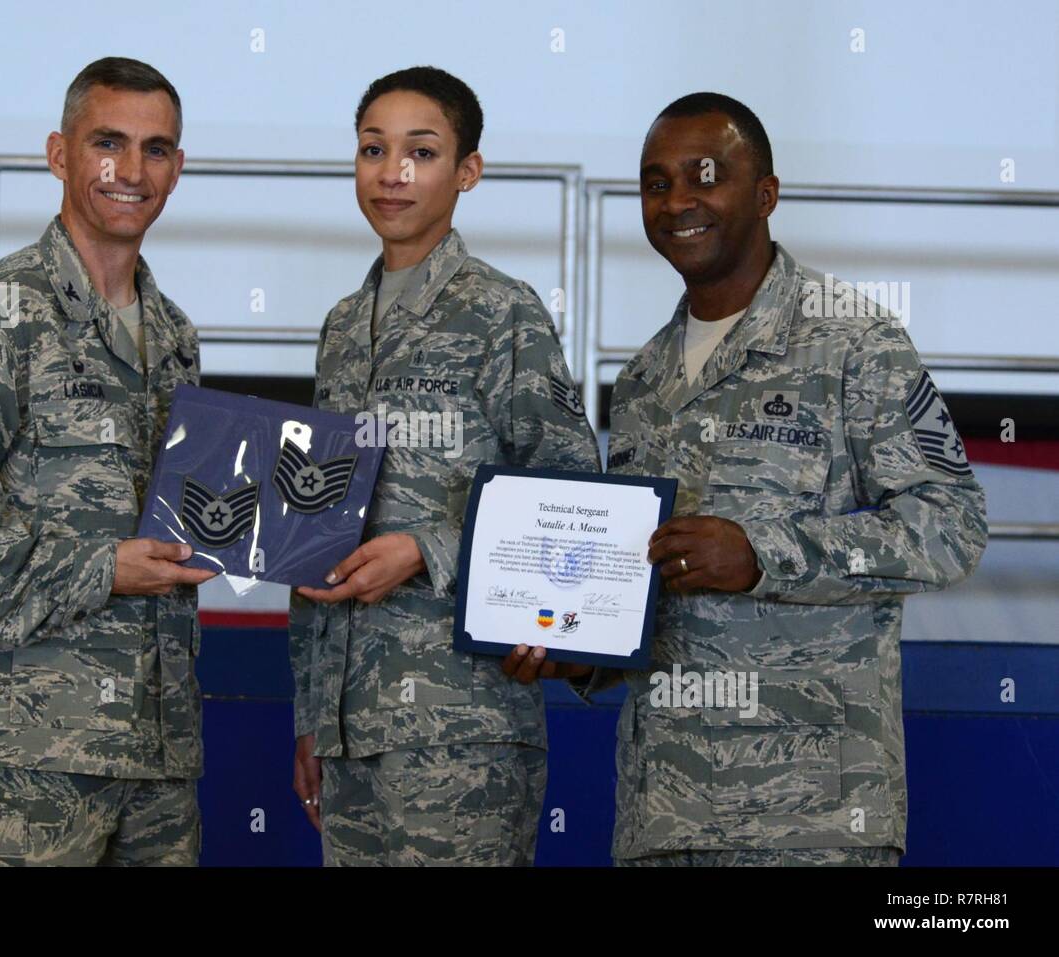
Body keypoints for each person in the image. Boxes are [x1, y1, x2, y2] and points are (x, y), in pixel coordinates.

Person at [504, 92, 987, 866]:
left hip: (812, 820)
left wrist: (764, 553)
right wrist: (579, 650)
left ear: (766, 193)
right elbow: (643, 587)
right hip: (665, 818)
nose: (678, 201)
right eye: (656, 183)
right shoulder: (641, 381)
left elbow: (952, 524)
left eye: (705, 176)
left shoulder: (853, 342)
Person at [0, 56, 216, 866]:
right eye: (108, 143)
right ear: (59, 154)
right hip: (20, 758)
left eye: (157, 149)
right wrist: (100, 569)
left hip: (157, 764)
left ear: (178, 167)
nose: (131, 171)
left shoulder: (175, 335)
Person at [290, 66, 602, 866]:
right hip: (350, 730)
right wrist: (311, 716)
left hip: (463, 724)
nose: (392, 173)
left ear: (467, 172)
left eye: (420, 152)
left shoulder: (505, 310)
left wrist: (426, 548)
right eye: (373, 149)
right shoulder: (340, 325)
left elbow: (572, 494)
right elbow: (313, 524)